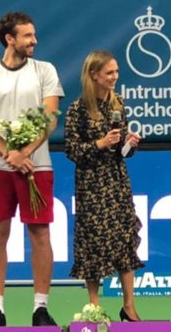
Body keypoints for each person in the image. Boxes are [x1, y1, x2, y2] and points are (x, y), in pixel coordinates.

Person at [0, 11, 64, 327]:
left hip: (38, 166)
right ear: (10, 39)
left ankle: (41, 309)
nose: (34, 40)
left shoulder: (45, 70)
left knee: (40, 234)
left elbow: (49, 119)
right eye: (27, 36)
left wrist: (24, 152)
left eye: (33, 35)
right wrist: (9, 153)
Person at [64, 50, 143, 322]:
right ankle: (94, 308)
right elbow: (72, 150)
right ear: (94, 75)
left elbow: (121, 153)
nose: (114, 77)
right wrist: (100, 143)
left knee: (125, 240)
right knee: (92, 245)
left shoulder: (118, 105)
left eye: (116, 72)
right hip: (91, 185)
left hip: (117, 182)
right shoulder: (77, 109)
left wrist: (129, 144)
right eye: (109, 72)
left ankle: (129, 306)